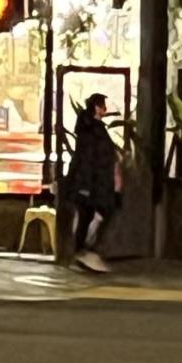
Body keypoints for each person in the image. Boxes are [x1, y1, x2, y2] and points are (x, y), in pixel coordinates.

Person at [64, 93, 118, 272]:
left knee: (88, 216)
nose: (105, 109)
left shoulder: (91, 129)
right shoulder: (92, 131)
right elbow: (89, 158)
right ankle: (84, 251)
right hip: (92, 183)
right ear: (96, 107)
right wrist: (86, 185)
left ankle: (82, 252)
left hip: (94, 182)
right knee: (92, 215)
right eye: (102, 106)